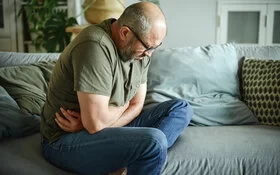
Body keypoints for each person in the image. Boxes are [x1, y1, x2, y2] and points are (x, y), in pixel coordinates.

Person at [40, 2, 193, 175]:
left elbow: (136, 105)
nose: (150, 54)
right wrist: (121, 108)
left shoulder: (142, 52)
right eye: (148, 47)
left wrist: (92, 123)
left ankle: (133, 156)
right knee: (155, 141)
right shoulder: (94, 45)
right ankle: (141, 153)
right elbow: (96, 123)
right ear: (125, 33)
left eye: (155, 47)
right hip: (64, 141)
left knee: (181, 109)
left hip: (90, 128)